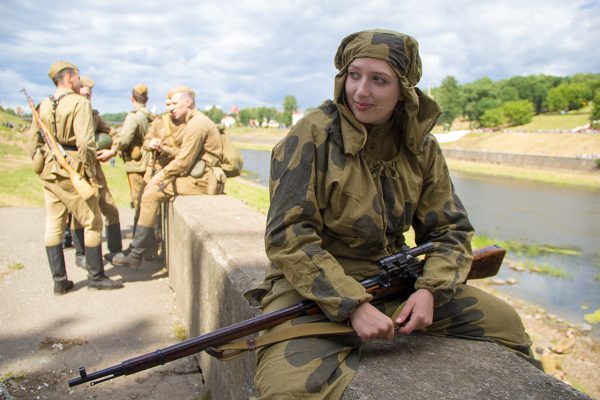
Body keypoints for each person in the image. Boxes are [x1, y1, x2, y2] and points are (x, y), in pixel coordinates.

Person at [249, 30, 541, 399]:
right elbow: (288, 237)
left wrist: (430, 290)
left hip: (392, 281)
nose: (361, 91)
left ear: (403, 88)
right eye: (354, 75)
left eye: (379, 80)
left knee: (506, 324)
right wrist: (352, 304)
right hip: (310, 288)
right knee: (285, 391)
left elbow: (450, 231)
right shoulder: (311, 136)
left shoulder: (421, 146)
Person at [29, 61, 123, 294]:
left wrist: (39, 164)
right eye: (78, 77)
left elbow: (33, 141)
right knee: (93, 222)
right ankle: (96, 277)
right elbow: (86, 144)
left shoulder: (43, 104)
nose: (80, 81)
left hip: (49, 171)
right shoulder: (79, 103)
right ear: (69, 77)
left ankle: (59, 281)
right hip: (72, 170)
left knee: (54, 225)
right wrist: (89, 172)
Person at [111, 86, 226, 268]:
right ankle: (138, 251)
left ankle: (135, 255)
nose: (171, 108)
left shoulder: (197, 124)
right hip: (200, 177)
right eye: (169, 104)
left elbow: (183, 161)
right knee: (149, 195)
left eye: (174, 103)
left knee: (152, 193)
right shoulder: (193, 121)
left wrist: (159, 177)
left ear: (188, 102)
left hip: (204, 181)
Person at [69, 76, 123, 267]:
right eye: (83, 93)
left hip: (95, 168)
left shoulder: (94, 116)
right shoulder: (68, 113)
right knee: (80, 213)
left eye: (89, 95)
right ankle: (81, 254)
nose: (87, 97)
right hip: (74, 168)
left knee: (110, 207)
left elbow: (113, 134)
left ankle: (115, 251)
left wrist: (112, 150)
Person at [116, 84, 154, 227]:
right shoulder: (151, 116)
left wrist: (116, 148)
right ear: (147, 99)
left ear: (132, 98)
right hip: (149, 162)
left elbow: (125, 139)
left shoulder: (134, 117)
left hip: (136, 164)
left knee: (139, 202)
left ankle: (140, 240)